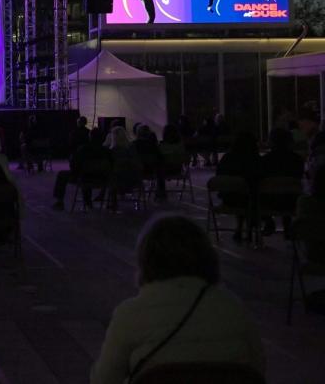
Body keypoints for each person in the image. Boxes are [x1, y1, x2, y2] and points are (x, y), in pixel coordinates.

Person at [90, 214, 264, 384]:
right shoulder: (233, 309)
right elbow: (257, 369)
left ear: (147, 260)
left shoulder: (130, 315)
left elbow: (104, 379)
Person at [216, 132, 262, 242]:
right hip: (252, 200)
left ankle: (240, 227)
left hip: (229, 199)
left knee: (239, 193)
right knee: (250, 194)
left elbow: (218, 177)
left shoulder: (227, 159)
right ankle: (251, 228)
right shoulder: (255, 160)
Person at [258, 127, 305, 236]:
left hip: (269, 203)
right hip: (292, 203)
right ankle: (287, 223)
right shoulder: (297, 160)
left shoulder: (265, 160)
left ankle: (268, 221)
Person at [53, 128, 111, 211]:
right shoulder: (106, 151)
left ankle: (59, 202)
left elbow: (74, 165)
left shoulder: (83, 149)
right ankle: (88, 202)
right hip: (103, 179)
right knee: (86, 173)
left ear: (90, 137)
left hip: (84, 178)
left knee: (62, 174)